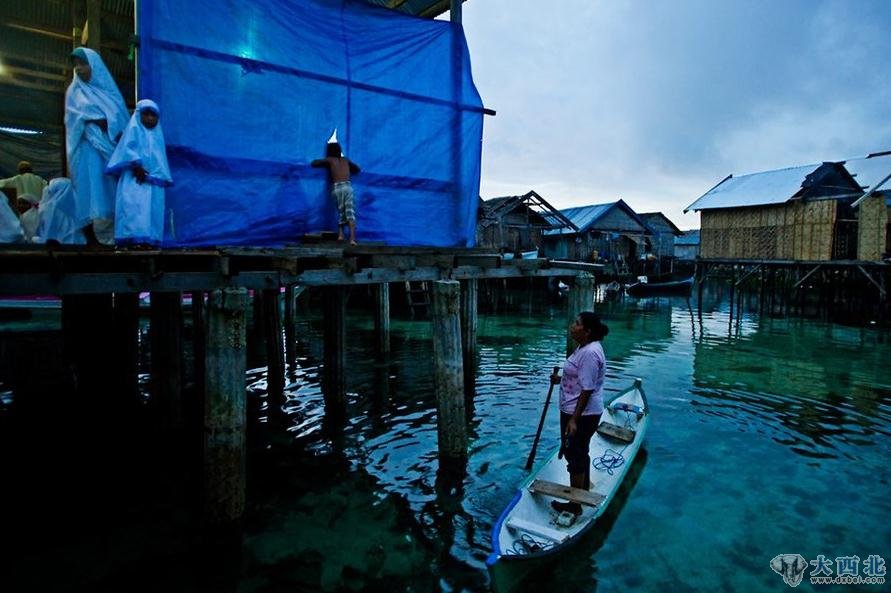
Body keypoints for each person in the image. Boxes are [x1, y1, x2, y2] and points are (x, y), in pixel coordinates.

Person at [65, 46, 129, 246]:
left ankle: (118, 235)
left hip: (110, 149)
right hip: (88, 148)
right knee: (92, 190)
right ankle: (93, 238)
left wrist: (109, 124)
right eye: (76, 65)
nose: (79, 69)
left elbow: (121, 119)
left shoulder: (109, 92)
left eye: (83, 64)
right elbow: (74, 118)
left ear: (94, 66)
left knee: (111, 189)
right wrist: (94, 120)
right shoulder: (74, 91)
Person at [551, 311, 609, 515]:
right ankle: (583, 489)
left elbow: (588, 388)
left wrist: (574, 420)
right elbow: (580, 378)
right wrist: (560, 380)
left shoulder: (591, 353)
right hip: (574, 409)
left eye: (577, 324)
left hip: (582, 414)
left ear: (587, 331)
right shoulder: (583, 347)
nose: (572, 326)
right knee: (578, 450)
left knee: (574, 454)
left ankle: (575, 505)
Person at [105, 99, 172, 246]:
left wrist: (155, 175)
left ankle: (149, 242)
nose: (150, 118)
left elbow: (160, 160)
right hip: (133, 179)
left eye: (153, 115)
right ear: (138, 115)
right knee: (133, 209)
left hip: (153, 180)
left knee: (152, 211)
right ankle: (131, 242)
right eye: (146, 114)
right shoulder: (133, 131)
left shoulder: (157, 137)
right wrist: (136, 165)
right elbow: (127, 148)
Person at [311, 142, 360, 245]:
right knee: (350, 212)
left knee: (341, 212)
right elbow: (357, 169)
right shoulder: (346, 160)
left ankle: (341, 236)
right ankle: (352, 239)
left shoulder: (330, 160)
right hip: (347, 187)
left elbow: (314, 163)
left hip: (337, 188)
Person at [35, 178, 86, 245]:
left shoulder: (49, 207)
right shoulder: (80, 206)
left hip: (56, 245)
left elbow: (43, 230)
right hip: (79, 243)